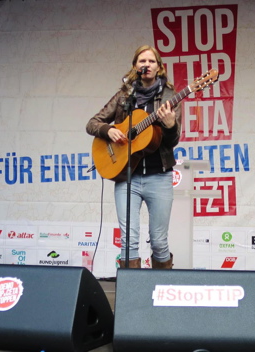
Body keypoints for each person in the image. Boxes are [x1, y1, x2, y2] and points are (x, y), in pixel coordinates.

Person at [86, 45, 182, 269]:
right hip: (127, 176)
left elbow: (172, 140)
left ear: (159, 67)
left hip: (159, 176)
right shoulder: (124, 96)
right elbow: (92, 123)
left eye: (151, 61)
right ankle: (132, 298)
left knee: (159, 241)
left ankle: (161, 295)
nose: (146, 65)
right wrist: (107, 131)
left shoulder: (170, 98)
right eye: (142, 61)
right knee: (128, 242)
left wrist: (169, 126)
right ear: (135, 66)